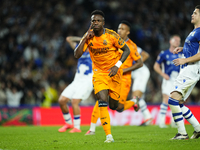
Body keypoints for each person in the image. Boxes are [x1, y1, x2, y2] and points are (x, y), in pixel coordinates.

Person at [74, 11, 134, 143]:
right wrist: (84, 39)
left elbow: (126, 50)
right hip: (99, 74)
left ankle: (134, 102)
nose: (95, 23)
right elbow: (76, 55)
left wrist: (117, 66)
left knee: (114, 106)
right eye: (93, 21)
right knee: (101, 99)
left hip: (114, 73)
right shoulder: (88, 37)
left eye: (98, 21)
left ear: (103, 23)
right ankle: (109, 136)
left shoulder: (112, 35)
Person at [84, 20, 143, 136]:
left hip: (123, 79)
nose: (119, 31)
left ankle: (134, 101)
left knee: (119, 108)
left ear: (128, 32)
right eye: (119, 28)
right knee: (101, 98)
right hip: (107, 75)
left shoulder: (131, 46)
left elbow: (140, 63)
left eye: (122, 29)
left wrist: (122, 69)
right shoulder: (112, 40)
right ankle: (92, 128)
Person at [168, 5, 200, 139]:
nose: (192, 15)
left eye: (196, 13)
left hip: (191, 68)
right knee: (179, 102)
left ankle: (182, 133)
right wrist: (183, 49)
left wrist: (184, 60)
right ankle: (198, 129)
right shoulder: (194, 31)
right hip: (188, 68)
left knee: (172, 100)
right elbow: (195, 48)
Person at [58, 36, 93, 133]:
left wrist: (89, 40)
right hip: (76, 81)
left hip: (87, 82)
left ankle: (77, 127)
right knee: (62, 100)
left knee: (74, 102)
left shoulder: (94, 52)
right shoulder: (79, 50)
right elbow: (68, 39)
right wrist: (82, 38)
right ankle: (68, 123)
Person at [153, 35, 181, 128]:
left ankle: (174, 122)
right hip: (168, 80)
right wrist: (163, 74)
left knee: (176, 101)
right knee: (166, 99)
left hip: (178, 80)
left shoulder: (181, 55)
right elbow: (156, 66)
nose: (177, 42)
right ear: (170, 41)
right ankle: (161, 122)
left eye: (179, 41)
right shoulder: (164, 54)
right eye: (175, 40)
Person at [131, 47, 153, 126]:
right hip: (137, 75)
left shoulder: (130, 46)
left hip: (141, 73)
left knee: (135, 97)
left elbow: (146, 55)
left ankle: (148, 116)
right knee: (135, 98)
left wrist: (137, 64)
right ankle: (147, 117)